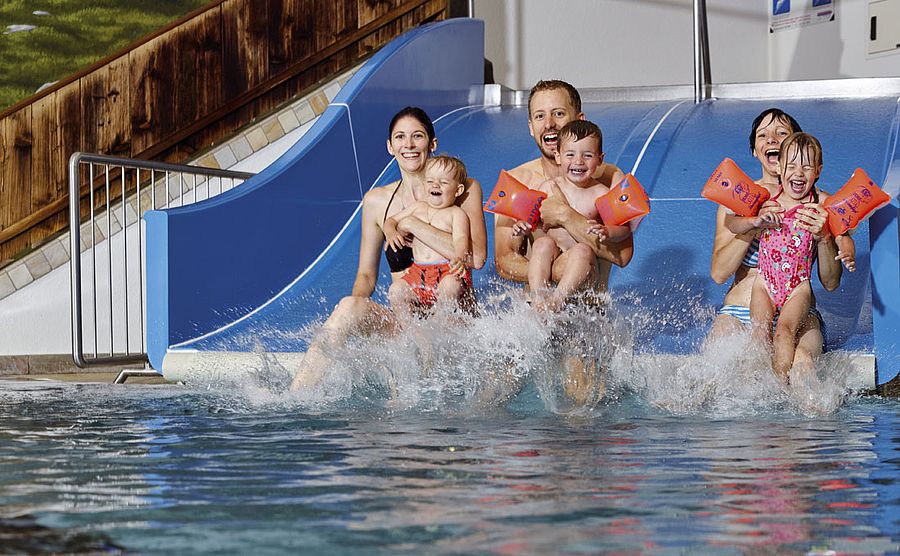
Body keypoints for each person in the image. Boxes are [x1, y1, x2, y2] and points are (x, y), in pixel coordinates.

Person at [290, 107, 486, 391]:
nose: (408, 145)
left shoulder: (462, 189)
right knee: (348, 306)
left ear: (432, 143)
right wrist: (358, 316)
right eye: (400, 137)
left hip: (452, 322)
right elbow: (366, 277)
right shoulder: (377, 202)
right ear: (390, 146)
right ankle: (296, 400)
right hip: (408, 325)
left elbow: (476, 258)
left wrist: (415, 225)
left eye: (417, 136)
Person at [707, 108, 853, 370]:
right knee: (728, 369)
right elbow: (718, 273)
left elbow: (831, 283)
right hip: (741, 312)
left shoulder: (820, 204)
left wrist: (824, 237)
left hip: (798, 314)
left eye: (781, 133)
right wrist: (753, 227)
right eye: (763, 135)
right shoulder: (739, 200)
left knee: (803, 364)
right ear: (754, 149)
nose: (772, 139)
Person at [495, 79, 633, 288]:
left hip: (592, 314)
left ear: (579, 120)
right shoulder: (517, 181)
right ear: (531, 127)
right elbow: (504, 261)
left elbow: (623, 254)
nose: (549, 124)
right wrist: (560, 270)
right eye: (540, 116)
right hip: (537, 311)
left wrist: (565, 215)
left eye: (558, 113)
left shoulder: (610, 178)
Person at [511, 120, 631, 311]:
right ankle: (539, 299)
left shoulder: (601, 194)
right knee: (542, 244)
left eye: (588, 155)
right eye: (570, 154)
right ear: (558, 157)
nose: (578, 161)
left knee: (582, 250)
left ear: (600, 159)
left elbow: (624, 230)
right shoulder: (549, 188)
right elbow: (531, 218)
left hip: (585, 266)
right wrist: (521, 226)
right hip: (555, 254)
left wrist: (608, 231)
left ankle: (557, 300)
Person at [384, 155, 473, 316]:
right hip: (418, 272)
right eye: (430, 181)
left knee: (450, 287)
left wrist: (459, 258)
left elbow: (460, 238)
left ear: (458, 190)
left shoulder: (456, 214)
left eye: (444, 182)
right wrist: (391, 232)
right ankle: (409, 332)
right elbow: (391, 220)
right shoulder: (417, 208)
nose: (435, 185)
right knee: (396, 291)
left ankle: (442, 324)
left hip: (447, 270)